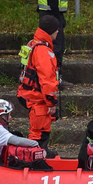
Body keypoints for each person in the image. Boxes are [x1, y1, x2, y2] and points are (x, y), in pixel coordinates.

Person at [17, 15, 60, 158]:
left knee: (43, 125)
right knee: (37, 131)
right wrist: (51, 102)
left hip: (28, 92)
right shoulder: (43, 51)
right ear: (50, 32)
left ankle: (43, 151)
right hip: (36, 96)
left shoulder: (32, 43)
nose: (58, 32)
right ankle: (34, 157)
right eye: (56, 30)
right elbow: (47, 80)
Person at [37, 0, 73, 88]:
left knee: (56, 47)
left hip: (51, 10)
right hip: (52, 11)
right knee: (56, 48)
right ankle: (55, 79)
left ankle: (54, 78)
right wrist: (57, 15)